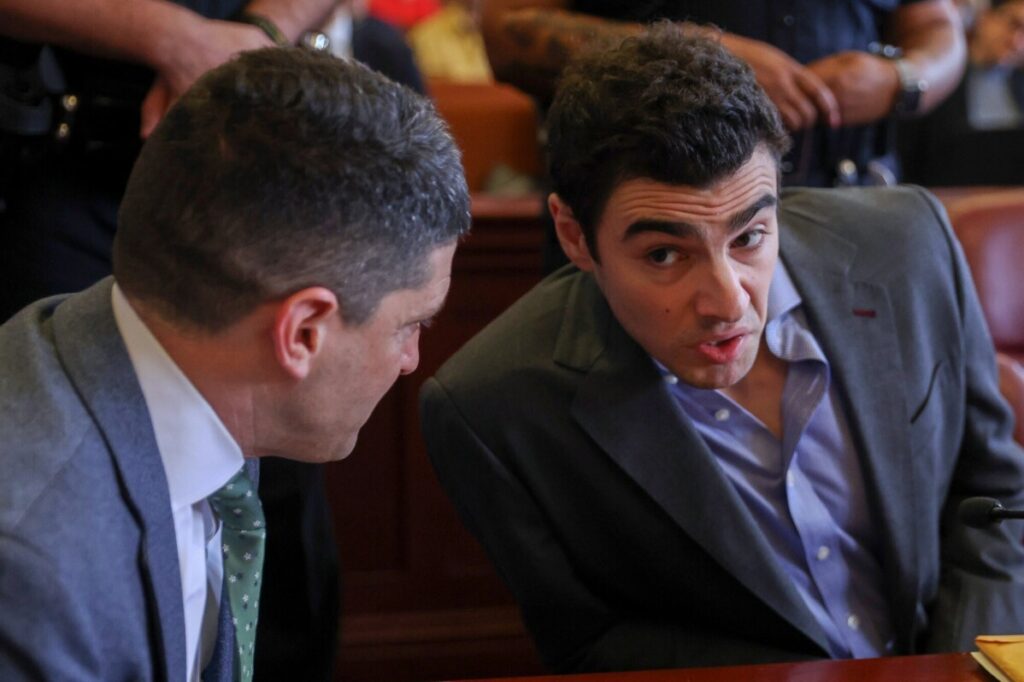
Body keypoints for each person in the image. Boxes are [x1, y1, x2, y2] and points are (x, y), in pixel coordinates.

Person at [420, 24, 1024, 674]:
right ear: (573, 236)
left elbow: (994, 498)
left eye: (750, 236)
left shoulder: (909, 244)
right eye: (664, 254)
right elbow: (589, 640)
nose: (728, 302)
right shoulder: (493, 406)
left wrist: (958, 666)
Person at [0, 46, 469, 682]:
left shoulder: (198, 365)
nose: (413, 361)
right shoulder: (35, 569)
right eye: (411, 325)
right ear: (301, 332)